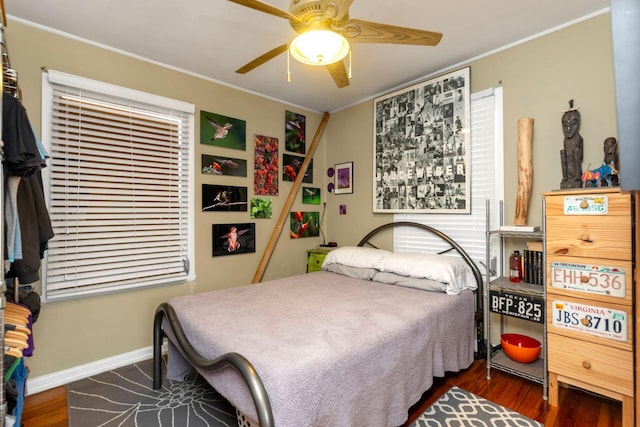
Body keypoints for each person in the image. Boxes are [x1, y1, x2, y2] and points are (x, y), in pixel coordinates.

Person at [560, 100, 583, 189]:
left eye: (573, 124)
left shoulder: (578, 138)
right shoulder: (565, 140)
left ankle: (576, 179)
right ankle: (566, 179)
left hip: (576, 172)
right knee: (563, 153)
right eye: (565, 125)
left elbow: (581, 157)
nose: (568, 128)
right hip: (568, 173)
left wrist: (576, 153)